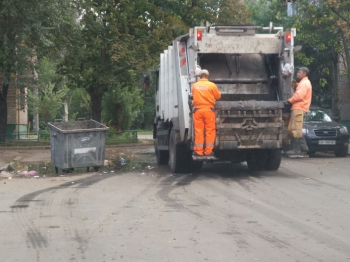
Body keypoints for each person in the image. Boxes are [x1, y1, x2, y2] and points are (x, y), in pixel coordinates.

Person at [191, 69, 221, 156]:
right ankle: (208, 151)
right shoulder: (212, 85)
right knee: (210, 131)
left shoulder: (194, 86)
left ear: (200, 76)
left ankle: (198, 151)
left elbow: (193, 96)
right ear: (207, 76)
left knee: (199, 131)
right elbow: (218, 96)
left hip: (198, 111)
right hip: (208, 110)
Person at [286, 67, 312, 157]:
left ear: (304, 73)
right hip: (297, 107)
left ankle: (296, 150)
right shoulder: (303, 83)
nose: (297, 73)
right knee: (291, 129)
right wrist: (296, 85)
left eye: (299, 72)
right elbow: (301, 90)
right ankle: (304, 147)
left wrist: (290, 100)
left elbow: (299, 96)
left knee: (296, 129)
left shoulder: (304, 83)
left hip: (299, 107)